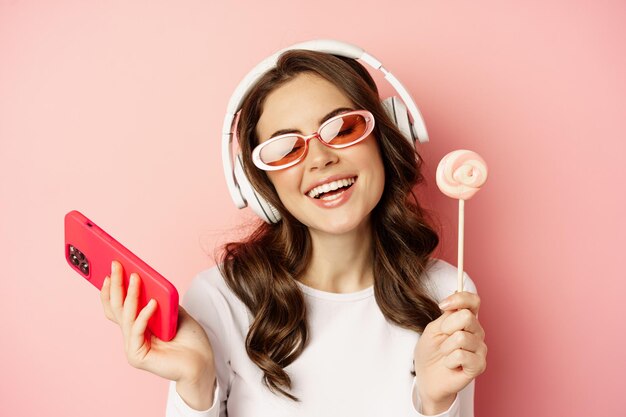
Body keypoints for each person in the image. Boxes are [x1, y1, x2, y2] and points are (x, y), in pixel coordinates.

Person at [100, 47, 487, 417]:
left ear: (384, 139)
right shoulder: (221, 300)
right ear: (260, 187)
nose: (320, 159)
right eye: (286, 149)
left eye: (343, 127)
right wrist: (195, 383)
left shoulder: (445, 294)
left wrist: (436, 404)